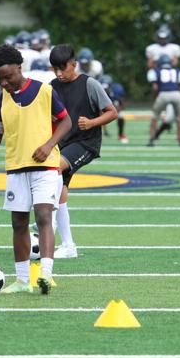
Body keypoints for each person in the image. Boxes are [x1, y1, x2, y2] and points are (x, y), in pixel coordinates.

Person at [0, 44, 71, 294]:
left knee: (44, 217)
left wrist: (49, 144)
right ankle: (22, 281)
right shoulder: (0, 101)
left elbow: (66, 120)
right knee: (19, 223)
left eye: (8, 77)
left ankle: (45, 274)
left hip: (46, 166)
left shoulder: (44, 91)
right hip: (16, 169)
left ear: (19, 68)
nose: (4, 83)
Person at [49, 44, 118, 259]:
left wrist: (92, 122)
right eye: (55, 69)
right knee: (59, 190)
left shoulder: (90, 84)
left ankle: (48, 228)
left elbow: (112, 112)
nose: (59, 74)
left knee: (53, 168)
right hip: (63, 144)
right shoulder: (51, 86)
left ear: (74, 64)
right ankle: (68, 245)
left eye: (63, 68)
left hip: (86, 143)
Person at [146, 54, 180, 147]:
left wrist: (155, 98)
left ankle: (151, 140)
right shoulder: (178, 71)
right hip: (177, 94)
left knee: (154, 117)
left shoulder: (154, 71)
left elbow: (155, 87)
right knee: (179, 119)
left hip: (163, 94)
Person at [98, 74, 128, 143]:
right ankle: (100, 132)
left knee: (121, 116)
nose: (104, 90)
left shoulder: (117, 89)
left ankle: (121, 134)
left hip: (114, 106)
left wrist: (115, 111)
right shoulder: (97, 90)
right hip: (102, 107)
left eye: (106, 88)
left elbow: (123, 104)